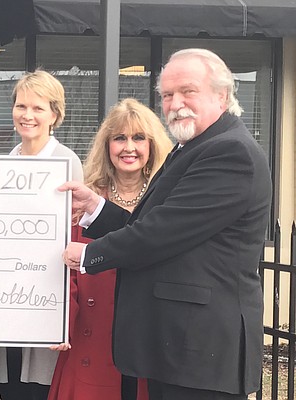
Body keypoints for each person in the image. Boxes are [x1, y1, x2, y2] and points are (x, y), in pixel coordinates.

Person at [60, 48, 271, 399]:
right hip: (181, 350)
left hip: (200, 355)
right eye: (167, 95)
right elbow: (156, 224)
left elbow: (160, 234)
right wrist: (97, 208)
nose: (175, 103)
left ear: (222, 94)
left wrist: (89, 254)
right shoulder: (193, 146)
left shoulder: (230, 152)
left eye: (188, 91)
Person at [48, 98, 172, 400]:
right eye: (120, 138)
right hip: (91, 337)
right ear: (107, 146)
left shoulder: (166, 200)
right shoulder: (83, 200)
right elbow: (65, 271)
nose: (129, 147)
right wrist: (60, 321)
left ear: (152, 145)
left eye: (138, 138)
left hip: (147, 339)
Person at [0, 70, 84, 400]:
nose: (28, 115)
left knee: (37, 387)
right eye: (21, 106)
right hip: (8, 297)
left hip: (45, 296)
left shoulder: (66, 163)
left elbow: (73, 234)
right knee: (8, 384)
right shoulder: (7, 162)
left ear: (55, 114)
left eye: (38, 108)